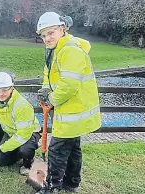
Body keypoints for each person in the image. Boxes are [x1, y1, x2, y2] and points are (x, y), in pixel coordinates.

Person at [35, 12, 102, 193]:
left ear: (61, 29)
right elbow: (49, 76)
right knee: (73, 149)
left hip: (72, 111)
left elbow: (69, 85)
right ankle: (71, 184)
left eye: (51, 33)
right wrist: (45, 91)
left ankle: (52, 187)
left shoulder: (70, 50)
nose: (47, 38)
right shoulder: (54, 50)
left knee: (56, 150)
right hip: (70, 109)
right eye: (43, 35)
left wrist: (51, 99)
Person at [0, 71, 40, 175]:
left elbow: (22, 136)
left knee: (25, 149)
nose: (1, 94)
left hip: (29, 134)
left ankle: (27, 164)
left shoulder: (22, 106)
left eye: (4, 90)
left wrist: (1, 148)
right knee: (1, 161)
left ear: (12, 88)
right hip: (11, 133)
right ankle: (16, 152)